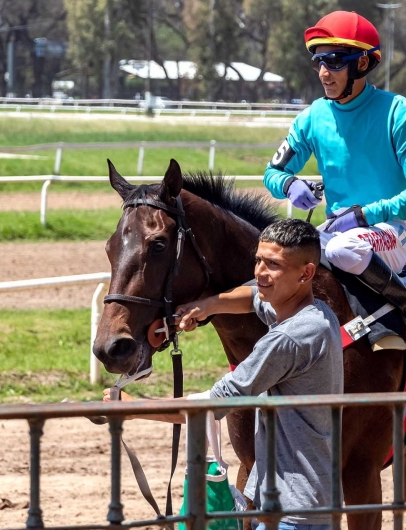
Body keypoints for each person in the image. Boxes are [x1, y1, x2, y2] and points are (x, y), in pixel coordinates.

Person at [108, 219, 343, 530]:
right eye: (258, 259)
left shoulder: (288, 339)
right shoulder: (315, 311)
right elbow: (252, 297)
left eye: (273, 264)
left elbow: (212, 404)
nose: (260, 272)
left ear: (306, 273)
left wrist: (130, 406)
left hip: (294, 512)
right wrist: (204, 307)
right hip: (303, 501)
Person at [263, 10, 406, 359]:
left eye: (333, 62)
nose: (322, 72)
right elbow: (271, 173)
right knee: (273, 258)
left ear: (362, 63)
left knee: (340, 250)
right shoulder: (313, 116)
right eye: (318, 61)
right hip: (334, 231)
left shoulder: (397, 112)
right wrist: (288, 185)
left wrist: (366, 214)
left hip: (388, 232)